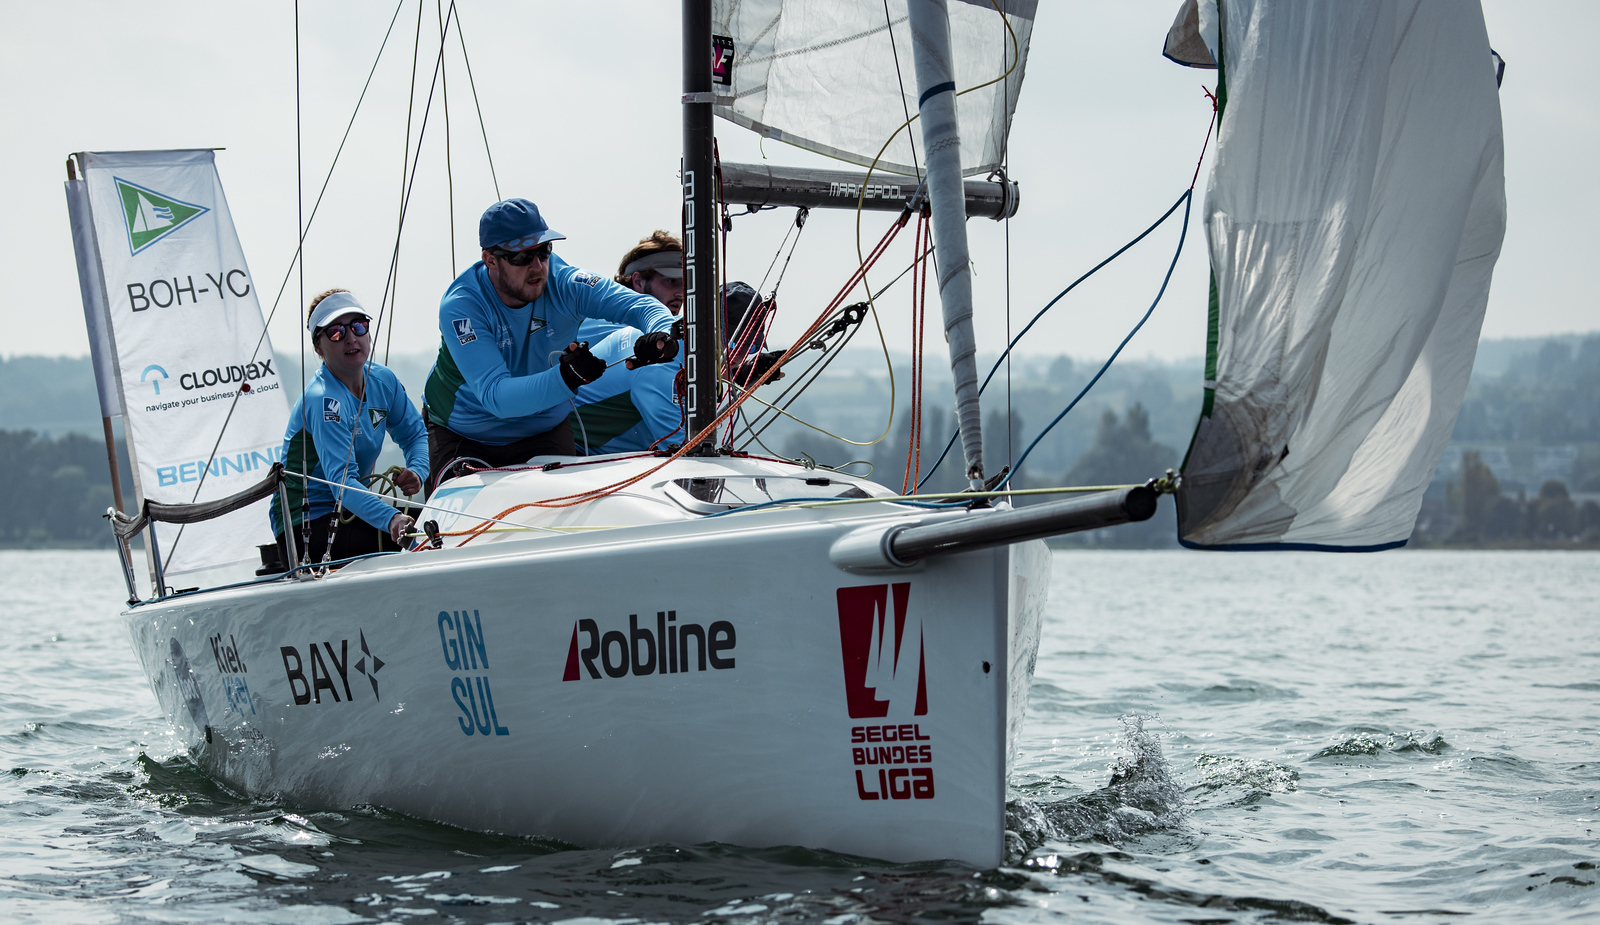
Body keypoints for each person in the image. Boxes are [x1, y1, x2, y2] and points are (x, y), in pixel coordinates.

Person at [422, 199, 678, 492]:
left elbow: (644, 306)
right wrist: (568, 377)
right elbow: (496, 397)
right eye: (521, 257)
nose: (537, 267)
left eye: (544, 251)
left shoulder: (564, 282)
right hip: (464, 432)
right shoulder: (462, 305)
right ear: (490, 260)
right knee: (457, 533)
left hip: (542, 428)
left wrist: (661, 336)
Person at [272, 289, 429, 567]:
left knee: (438, 525)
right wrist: (391, 519)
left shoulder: (383, 381)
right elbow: (342, 484)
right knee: (423, 538)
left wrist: (417, 470)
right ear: (318, 346)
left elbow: (415, 434)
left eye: (358, 326)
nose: (350, 338)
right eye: (335, 332)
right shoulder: (324, 399)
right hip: (307, 525)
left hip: (352, 512)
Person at [569, 281, 786, 455]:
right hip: (576, 455)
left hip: (615, 460)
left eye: (753, 346)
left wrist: (737, 373)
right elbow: (685, 453)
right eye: (734, 343)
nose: (739, 355)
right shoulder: (660, 363)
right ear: (706, 326)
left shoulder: (685, 339)